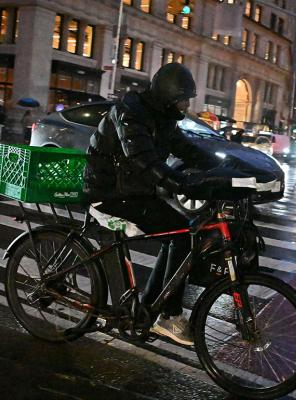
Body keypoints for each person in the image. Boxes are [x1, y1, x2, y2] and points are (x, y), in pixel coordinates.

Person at [83, 63, 226, 346]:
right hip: (110, 194)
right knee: (181, 234)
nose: (186, 106)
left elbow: (186, 148)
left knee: (180, 234)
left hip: (134, 193)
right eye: (182, 99)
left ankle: (151, 307)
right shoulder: (130, 113)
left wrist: (225, 167)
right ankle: (168, 316)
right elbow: (141, 158)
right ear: (167, 95)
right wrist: (179, 184)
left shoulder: (162, 117)